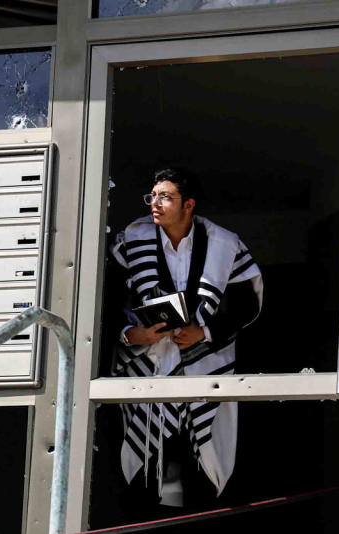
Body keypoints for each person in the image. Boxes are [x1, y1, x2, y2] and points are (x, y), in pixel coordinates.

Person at [110, 167, 263, 510]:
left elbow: (247, 303)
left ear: (188, 204)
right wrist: (132, 333)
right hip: (148, 368)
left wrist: (204, 332)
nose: (155, 203)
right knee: (146, 474)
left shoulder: (224, 244)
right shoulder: (131, 242)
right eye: (153, 196)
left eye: (166, 197)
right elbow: (105, 300)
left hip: (205, 369)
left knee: (201, 470)